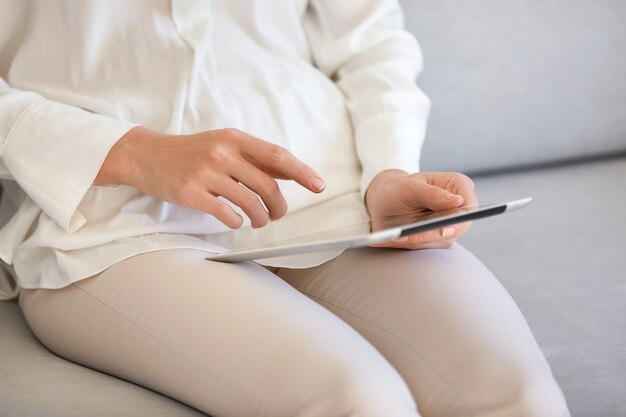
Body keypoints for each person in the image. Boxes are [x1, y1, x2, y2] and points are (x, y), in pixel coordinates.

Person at [0, 1, 571, 416]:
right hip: (106, 226)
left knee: (519, 397)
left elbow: (370, 39)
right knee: (358, 401)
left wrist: (388, 170)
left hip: (327, 198)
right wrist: (130, 152)